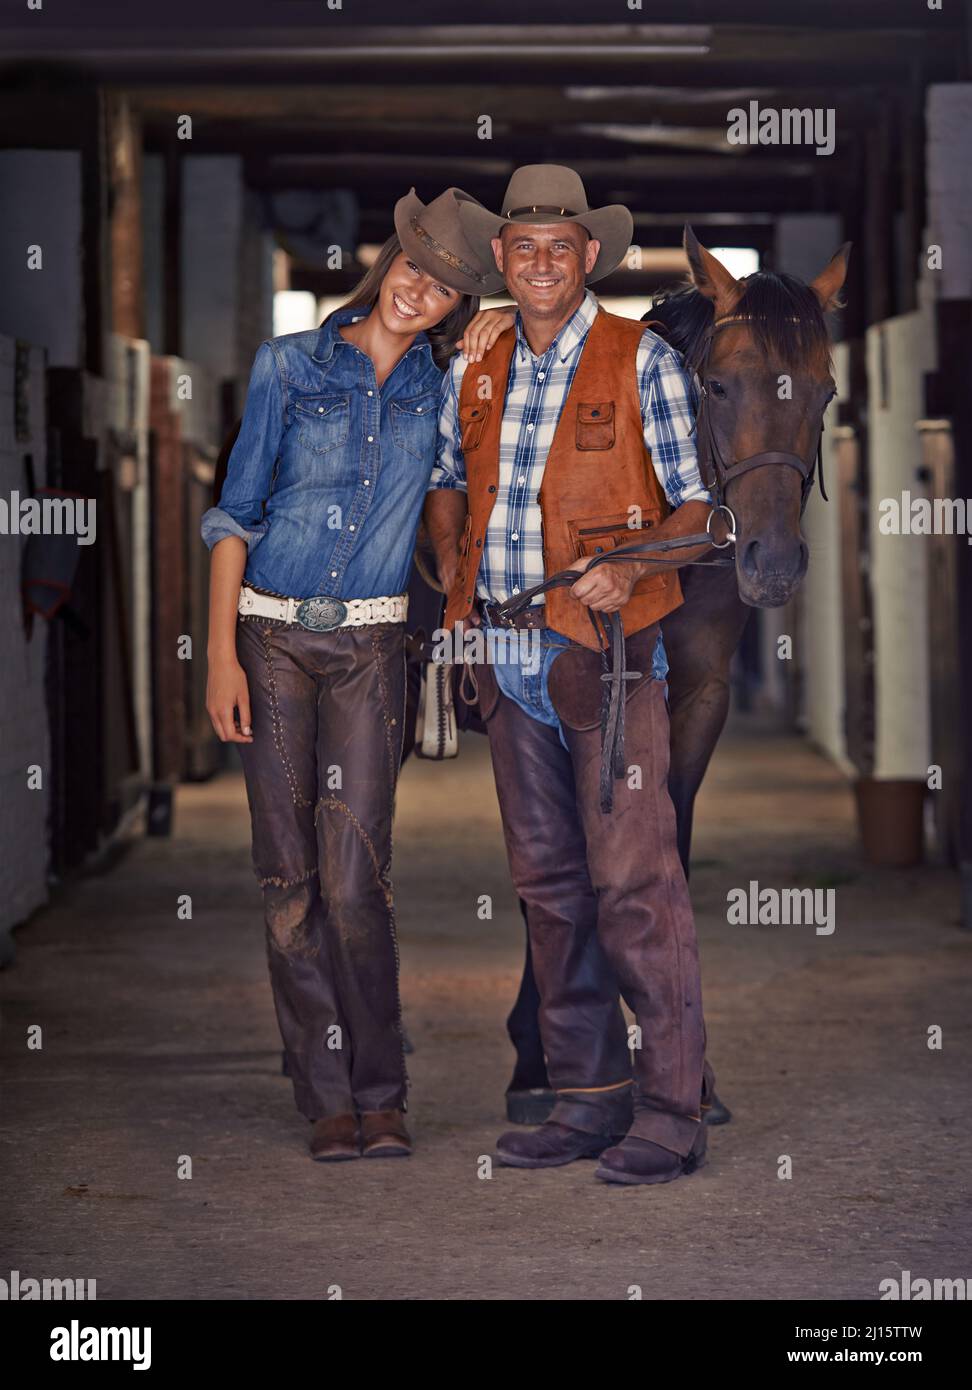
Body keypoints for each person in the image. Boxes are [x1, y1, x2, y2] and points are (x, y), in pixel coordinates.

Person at [202, 187, 511, 1162]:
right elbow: (233, 518)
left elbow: (456, 503)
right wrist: (217, 655)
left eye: (448, 287)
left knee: (353, 881)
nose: (420, 290)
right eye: (414, 266)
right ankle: (327, 1090)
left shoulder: (442, 391)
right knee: (287, 880)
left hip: (374, 652)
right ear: (389, 259)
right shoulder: (287, 367)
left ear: (458, 306)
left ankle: (384, 1090)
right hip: (273, 643)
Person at [425, 165, 717, 1186]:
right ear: (501, 260)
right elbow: (450, 489)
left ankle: (674, 1108)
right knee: (548, 888)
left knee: (635, 879)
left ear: (589, 256)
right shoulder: (482, 362)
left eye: (562, 246)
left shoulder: (645, 361)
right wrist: (457, 603)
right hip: (506, 658)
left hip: (611, 657)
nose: (543, 261)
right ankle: (587, 1096)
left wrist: (624, 568)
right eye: (524, 246)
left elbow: (701, 512)